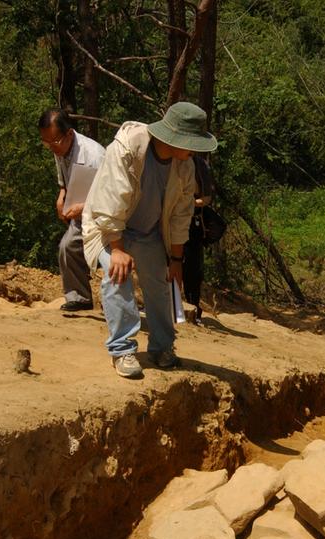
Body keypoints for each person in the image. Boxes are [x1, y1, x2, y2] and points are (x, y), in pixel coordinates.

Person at [81, 102, 217, 379]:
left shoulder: (186, 166)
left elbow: (181, 215)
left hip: (149, 233)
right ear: (174, 137)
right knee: (116, 274)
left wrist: (176, 261)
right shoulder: (127, 148)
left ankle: (161, 348)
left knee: (162, 284)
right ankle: (122, 349)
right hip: (108, 229)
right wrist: (117, 250)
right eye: (190, 142)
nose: (193, 149)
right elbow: (110, 201)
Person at [38, 109, 105, 312]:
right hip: (80, 215)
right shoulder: (60, 147)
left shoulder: (95, 155)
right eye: (45, 143)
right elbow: (64, 179)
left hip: (105, 217)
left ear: (69, 133)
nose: (51, 148)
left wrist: (83, 208)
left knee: (110, 259)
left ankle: (119, 305)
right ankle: (80, 298)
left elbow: (110, 197)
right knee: (67, 248)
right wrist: (62, 194)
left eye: (54, 142)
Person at [182, 155, 216, 326]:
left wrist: (188, 203)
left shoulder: (199, 164)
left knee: (192, 268)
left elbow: (207, 198)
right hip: (169, 220)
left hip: (192, 224)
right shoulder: (168, 160)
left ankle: (193, 308)